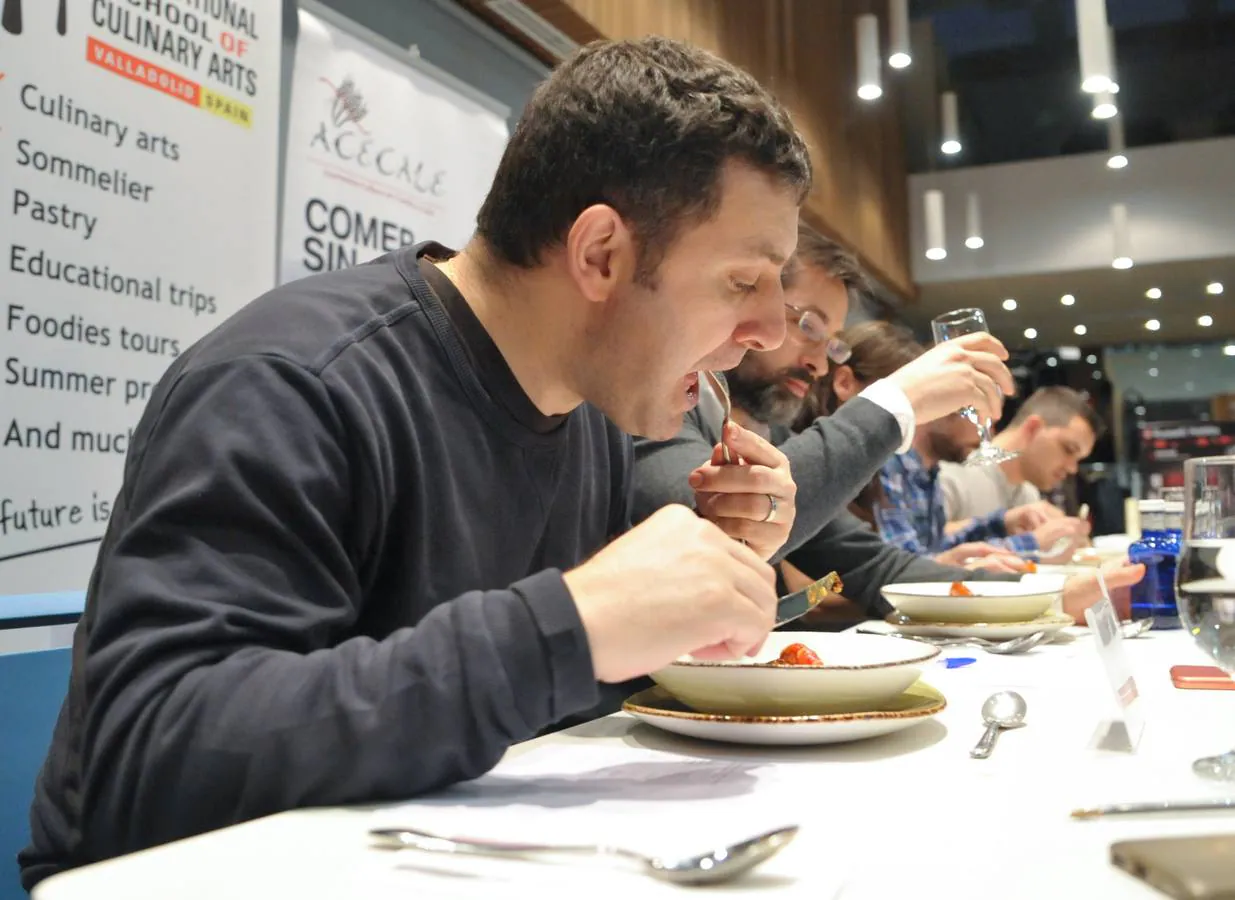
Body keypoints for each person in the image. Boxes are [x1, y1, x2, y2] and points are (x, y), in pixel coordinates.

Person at [22, 37, 814, 887]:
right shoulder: (290, 384)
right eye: (743, 282)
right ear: (600, 255)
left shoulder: (583, 417)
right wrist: (571, 626)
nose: (771, 331)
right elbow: (148, 758)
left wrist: (677, 597)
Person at [633, 237, 1144, 622]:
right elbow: (699, 526)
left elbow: (877, 567)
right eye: (807, 325)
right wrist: (899, 402)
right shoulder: (660, 403)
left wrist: (1045, 600)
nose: (818, 364)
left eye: (830, 341)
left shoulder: (774, 441)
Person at [833, 328, 1090, 564]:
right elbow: (900, 570)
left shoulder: (923, 469)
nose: (990, 419)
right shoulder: (887, 460)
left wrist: (1000, 524)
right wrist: (1031, 543)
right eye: (973, 402)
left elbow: (931, 550)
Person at [940, 386, 1103, 525]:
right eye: (1068, 449)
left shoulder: (1028, 494)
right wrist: (1005, 523)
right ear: (1033, 428)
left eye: (1078, 459)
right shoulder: (954, 475)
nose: (1072, 468)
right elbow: (920, 547)